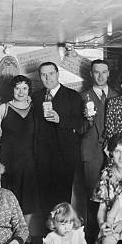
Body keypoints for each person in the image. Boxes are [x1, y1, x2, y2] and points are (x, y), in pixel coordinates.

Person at [79, 60, 119, 244]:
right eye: (97, 72)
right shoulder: (82, 97)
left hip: (113, 154)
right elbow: (77, 129)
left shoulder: (117, 96)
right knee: (94, 199)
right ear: (91, 74)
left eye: (104, 72)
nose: (100, 76)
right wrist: (87, 122)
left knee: (115, 197)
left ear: (109, 73)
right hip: (92, 154)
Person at [33, 61, 83, 213]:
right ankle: (47, 235)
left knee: (62, 198)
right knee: (44, 197)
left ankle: (62, 234)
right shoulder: (35, 97)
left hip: (65, 156)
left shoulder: (73, 96)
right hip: (42, 156)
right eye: (43, 75)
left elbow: (80, 123)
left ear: (58, 74)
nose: (48, 78)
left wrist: (60, 120)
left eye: (51, 74)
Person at [0, 75, 40, 235]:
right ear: (12, 90)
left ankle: (25, 234)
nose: (21, 92)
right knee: (9, 197)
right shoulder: (4, 108)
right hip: (8, 160)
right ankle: (10, 234)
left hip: (29, 160)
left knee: (28, 198)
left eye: (24, 88)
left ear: (29, 90)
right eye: (17, 88)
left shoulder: (35, 108)